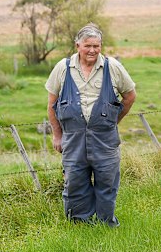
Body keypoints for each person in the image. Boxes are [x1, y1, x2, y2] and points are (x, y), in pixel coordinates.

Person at [46, 23, 136, 227]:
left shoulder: (113, 67)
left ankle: (106, 224)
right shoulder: (63, 67)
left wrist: (112, 121)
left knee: (107, 182)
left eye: (97, 46)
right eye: (88, 46)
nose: (93, 50)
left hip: (105, 139)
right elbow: (52, 104)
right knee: (75, 182)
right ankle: (80, 225)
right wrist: (57, 135)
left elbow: (130, 96)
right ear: (77, 45)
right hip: (72, 139)